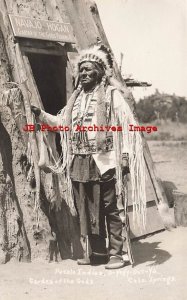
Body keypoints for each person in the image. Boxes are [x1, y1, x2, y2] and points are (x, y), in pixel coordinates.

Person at [31, 44, 146, 269]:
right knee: (87, 207)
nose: (83, 74)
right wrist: (41, 115)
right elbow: (61, 124)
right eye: (81, 70)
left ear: (100, 73)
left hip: (105, 161)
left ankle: (116, 254)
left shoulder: (112, 96)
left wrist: (125, 157)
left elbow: (129, 126)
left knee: (110, 207)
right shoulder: (75, 100)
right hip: (80, 160)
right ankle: (98, 252)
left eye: (88, 70)